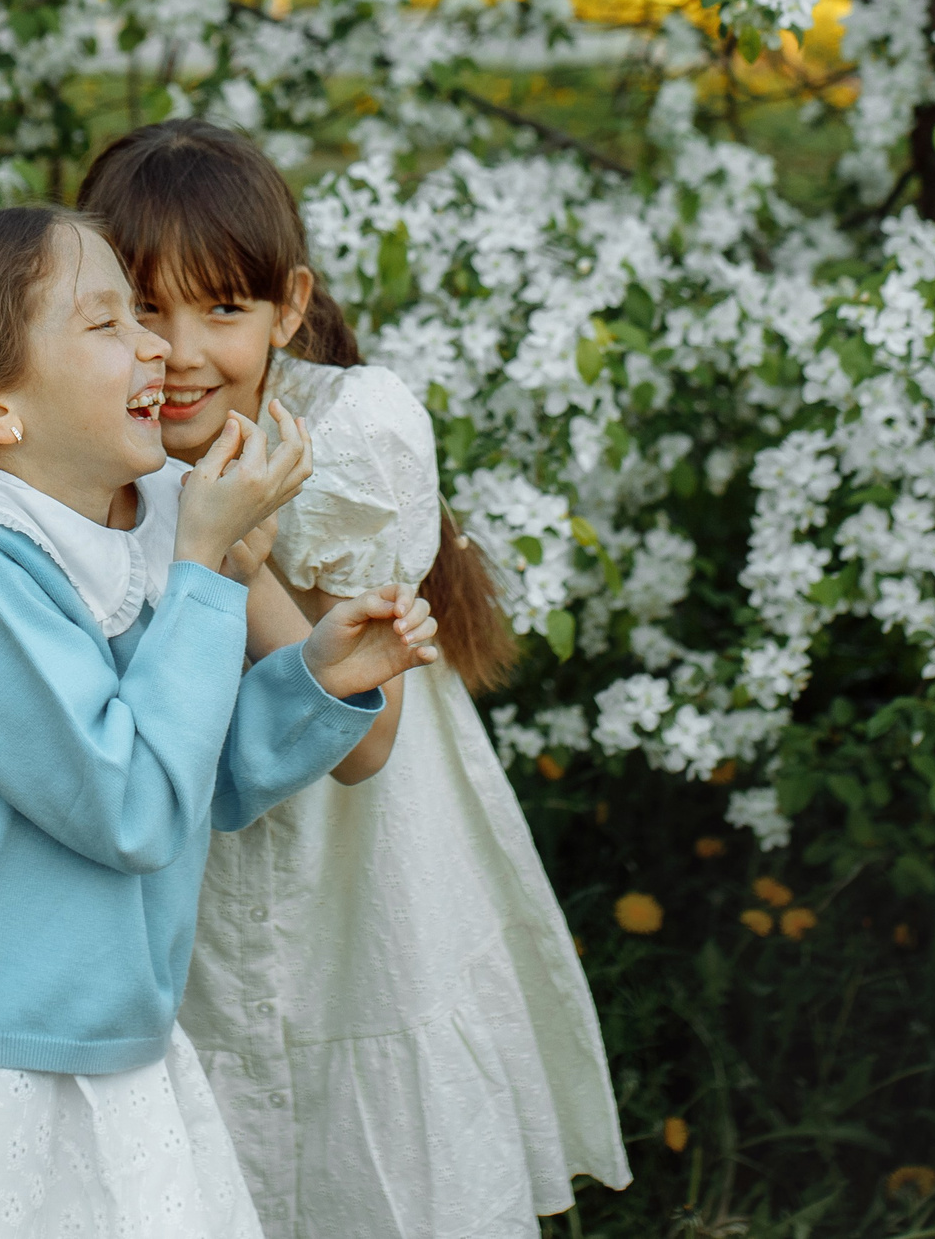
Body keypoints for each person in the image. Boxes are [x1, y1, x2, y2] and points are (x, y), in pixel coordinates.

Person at [0, 204, 446, 1239]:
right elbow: (131, 809)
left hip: (116, 1036)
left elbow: (192, 779)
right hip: (7, 1060)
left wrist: (316, 682)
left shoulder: (143, 515)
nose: (155, 344)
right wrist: (204, 570)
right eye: (107, 324)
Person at [79, 120, 631, 1239]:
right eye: (140, 308)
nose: (178, 352)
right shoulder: (85, 436)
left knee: (348, 1126)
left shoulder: (353, 437)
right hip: (182, 823)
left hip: (350, 851)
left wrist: (231, 556)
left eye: (220, 310)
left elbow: (364, 740)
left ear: (287, 306)